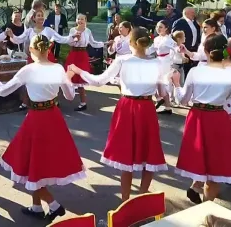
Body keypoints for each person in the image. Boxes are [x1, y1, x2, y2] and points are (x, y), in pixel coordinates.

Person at [0, 34, 85, 222]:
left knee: (31, 162)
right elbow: (68, 96)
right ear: (48, 49)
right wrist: (67, 78)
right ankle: (36, 206)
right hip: (53, 117)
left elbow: (2, 91)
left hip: (36, 119)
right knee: (34, 162)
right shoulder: (58, 68)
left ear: (31, 50)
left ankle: (53, 205)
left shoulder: (28, 70)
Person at [69, 27, 168, 201]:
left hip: (128, 107)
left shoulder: (123, 60)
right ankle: (143, 196)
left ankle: (125, 200)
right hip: (146, 107)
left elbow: (98, 81)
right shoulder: (157, 63)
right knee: (149, 150)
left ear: (131, 42)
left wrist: (78, 71)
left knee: (126, 154)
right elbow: (162, 92)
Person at [172, 34, 231, 203]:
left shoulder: (196, 72)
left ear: (205, 50)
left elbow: (183, 100)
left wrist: (175, 84)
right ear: (225, 51)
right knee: (216, 163)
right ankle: (207, 205)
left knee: (200, 155)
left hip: (197, 117)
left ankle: (198, 188)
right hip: (218, 117)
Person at [8, 8, 76, 110]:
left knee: (50, 80)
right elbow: (19, 39)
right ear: (34, 18)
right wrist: (11, 35)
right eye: (38, 15)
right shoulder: (30, 31)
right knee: (32, 81)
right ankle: (27, 102)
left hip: (47, 59)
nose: (41, 17)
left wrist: (72, 36)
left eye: (42, 15)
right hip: (34, 59)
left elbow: (61, 39)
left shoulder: (48, 30)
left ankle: (53, 100)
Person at [63, 14, 107, 111]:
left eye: (82, 19)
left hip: (82, 55)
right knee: (69, 77)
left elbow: (93, 43)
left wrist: (104, 44)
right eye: (78, 19)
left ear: (85, 20)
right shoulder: (72, 30)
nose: (80, 21)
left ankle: (83, 103)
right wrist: (75, 39)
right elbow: (69, 42)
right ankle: (66, 97)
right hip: (74, 54)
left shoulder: (88, 31)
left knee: (81, 79)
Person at [149, 21, 177, 114]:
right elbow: (152, 49)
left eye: (161, 27)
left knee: (162, 83)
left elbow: (176, 48)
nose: (158, 28)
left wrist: (173, 59)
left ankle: (162, 100)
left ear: (166, 28)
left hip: (165, 62)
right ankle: (165, 105)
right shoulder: (157, 38)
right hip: (158, 61)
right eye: (157, 27)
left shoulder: (168, 39)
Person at [172, 7, 201, 77]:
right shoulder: (179, 22)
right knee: (184, 70)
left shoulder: (195, 23)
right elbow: (175, 37)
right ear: (187, 13)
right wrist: (180, 48)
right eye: (193, 13)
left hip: (193, 49)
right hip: (183, 49)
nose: (194, 14)